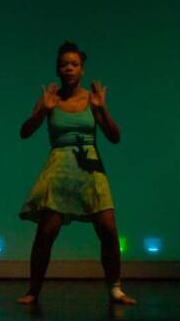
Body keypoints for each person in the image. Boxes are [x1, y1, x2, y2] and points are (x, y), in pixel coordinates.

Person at [17, 41, 135, 306]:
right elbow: (25, 132)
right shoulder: (50, 98)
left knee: (108, 229)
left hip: (90, 166)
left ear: (82, 70)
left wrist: (102, 108)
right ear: (58, 70)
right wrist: (43, 111)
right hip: (60, 167)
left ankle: (115, 288)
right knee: (47, 232)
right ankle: (33, 290)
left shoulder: (91, 100)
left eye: (74, 64)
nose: (69, 68)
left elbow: (114, 137)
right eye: (64, 65)